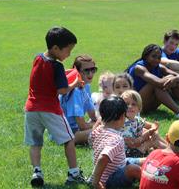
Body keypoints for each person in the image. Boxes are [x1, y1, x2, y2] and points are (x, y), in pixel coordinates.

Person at [24, 27, 85, 187]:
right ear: (56, 48)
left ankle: (36, 171)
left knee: (35, 142)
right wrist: (75, 83)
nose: (69, 54)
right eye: (68, 50)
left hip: (31, 109)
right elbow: (62, 90)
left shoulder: (38, 58)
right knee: (69, 139)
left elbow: (45, 76)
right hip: (50, 109)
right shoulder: (57, 66)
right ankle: (74, 173)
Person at [126, 44, 179, 122]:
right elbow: (158, 83)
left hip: (151, 104)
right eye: (153, 56)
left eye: (159, 58)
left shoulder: (159, 67)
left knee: (174, 83)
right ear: (145, 57)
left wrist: (173, 79)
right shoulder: (139, 68)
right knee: (156, 85)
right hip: (137, 105)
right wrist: (172, 79)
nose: (156, 60)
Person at [90, 96, 143, 189]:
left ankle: (151, 167)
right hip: (109, 179)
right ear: (122, 116)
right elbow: (103, 157)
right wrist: (96, 182)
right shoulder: (116, 139)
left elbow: (91, 140)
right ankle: (151, 181)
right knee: (132, 169)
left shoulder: (97, 130)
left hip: (117, 165)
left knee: (143, 161)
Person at [60, 55, 98, 144]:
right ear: (76, 71)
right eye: (86, 71)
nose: (90, 74)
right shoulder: (75, 92)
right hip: (68, 134)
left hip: (77, 129)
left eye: (93, 70)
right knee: (104, 132)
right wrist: (101, 124)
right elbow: (83, 126)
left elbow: (92, 115)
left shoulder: (86, 86)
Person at [121, 90, 167, 157]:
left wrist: (154, 131)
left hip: (136, 149)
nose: (130, 106)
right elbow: (133, 144)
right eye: (126, 104)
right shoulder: (123, 123)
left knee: (154, 136)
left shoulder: (137, 119)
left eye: (133, 104)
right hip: (127, 155)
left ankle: (172, 150)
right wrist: (148, 133)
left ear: (139, 108)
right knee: (152, 141)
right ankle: (173, 152)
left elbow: (152, 125)